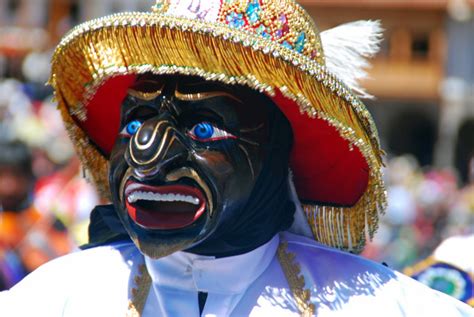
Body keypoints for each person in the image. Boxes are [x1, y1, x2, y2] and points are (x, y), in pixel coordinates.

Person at [1, 0, 473, 316]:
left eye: (204, 127)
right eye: (136, 122)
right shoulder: (54, 299)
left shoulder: (384, 308)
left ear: (275, 151)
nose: (147, 157)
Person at [0, 140, 71, 290]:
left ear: (28, 176)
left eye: (16, 176)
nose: (8, 186)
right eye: (2, 176)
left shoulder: (46, 219)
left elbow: (64, 264)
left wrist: (35, 244)